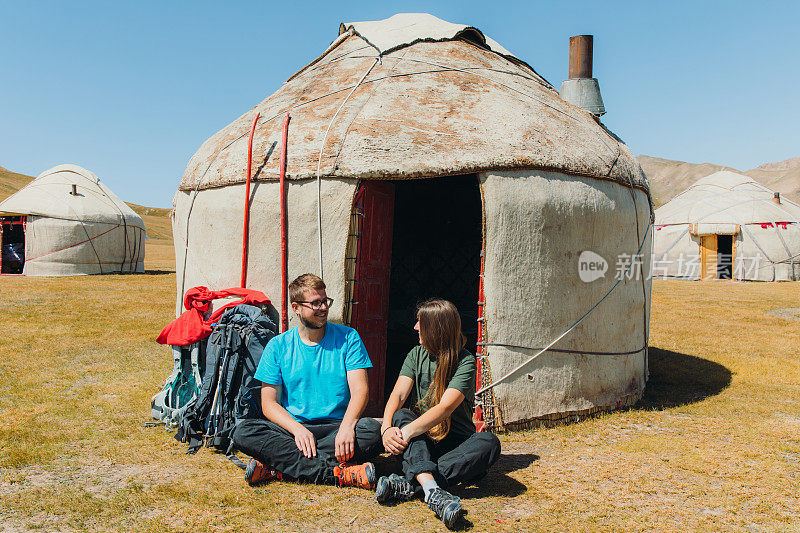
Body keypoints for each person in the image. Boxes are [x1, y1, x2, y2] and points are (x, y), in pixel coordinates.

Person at [232, 273, 382, 489]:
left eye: (325, 301)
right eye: (315, 303)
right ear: (296, 308)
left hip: (336, 428)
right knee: (243, 432)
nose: (323, 308)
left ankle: (278, 467)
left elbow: (361, 391)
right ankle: (336, 474)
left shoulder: (348, 338)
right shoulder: (278, 345)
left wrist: (348, 427)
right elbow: (269, 403)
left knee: (371, 431)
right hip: (293, 429)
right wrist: (298, 430)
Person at [376, 299, 501, 530]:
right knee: (402, 414)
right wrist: (386, 429)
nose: (415, 327)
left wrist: (404, 434)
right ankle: (433, 492)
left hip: (455, 443)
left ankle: (410, 485)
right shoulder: (416, 354)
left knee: (489, 443)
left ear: (436, 329)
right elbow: (398, 395)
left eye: (420, 323)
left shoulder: (465, 361)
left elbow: (445, 408)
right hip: (423, 441)